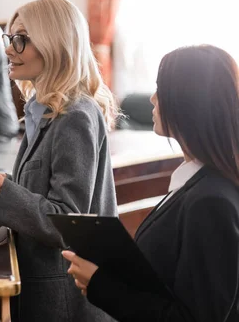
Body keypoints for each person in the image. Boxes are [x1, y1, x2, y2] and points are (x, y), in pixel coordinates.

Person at [0, 0, 118, 321]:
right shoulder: (45, 110)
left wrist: (0, 187)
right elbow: (42, 196)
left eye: (20, 40)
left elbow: (67, 220)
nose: (9, 50)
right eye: (9, 39)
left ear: (54, 43)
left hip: (62, 301)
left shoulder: (74, 116)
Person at [63, 45, 239, 322]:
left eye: (161, 89)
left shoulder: (211, 202)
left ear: (188, 102)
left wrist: (100, 285)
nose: (153, 98)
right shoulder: (196, 183)